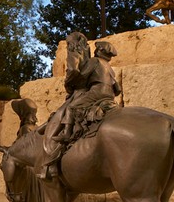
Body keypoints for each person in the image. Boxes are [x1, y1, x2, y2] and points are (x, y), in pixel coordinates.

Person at [40, 40, 121, 180]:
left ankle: (66, 133)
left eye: (97, 49)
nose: (95, 51)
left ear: (99, 51)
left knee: (72, 107)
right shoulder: (109, 67)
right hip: (110, 95)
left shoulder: (94, 61)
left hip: (97, 91)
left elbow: (82, 76)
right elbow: (118, 89)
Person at [1, 98, 55, 202]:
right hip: (35, 169)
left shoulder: (25, 129)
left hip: (26, 172)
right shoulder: (36, 127)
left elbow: (19, 149)